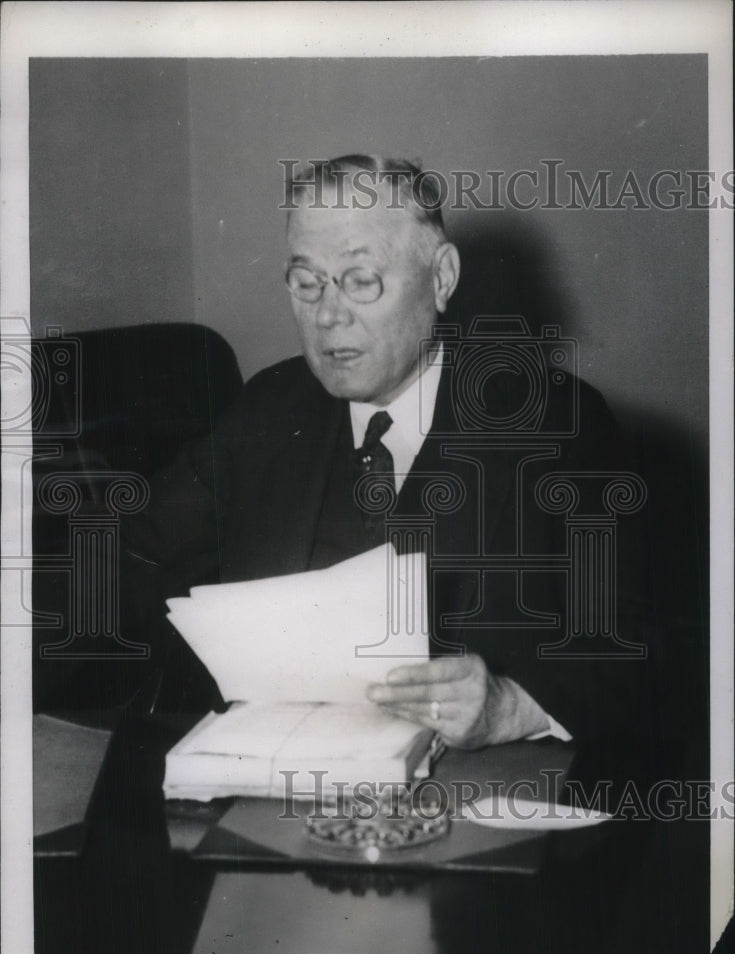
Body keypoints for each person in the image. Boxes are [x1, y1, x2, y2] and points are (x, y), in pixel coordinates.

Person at [122, 155, 661, 772]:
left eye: (360, 280)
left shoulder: (561, 424)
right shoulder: (269, 407)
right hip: (277, 798)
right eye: (307, 281)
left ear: (441, 278)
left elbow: (634, 648)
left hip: (477, 805)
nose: (328, 315)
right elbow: (129, 555)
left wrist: (511, 707)